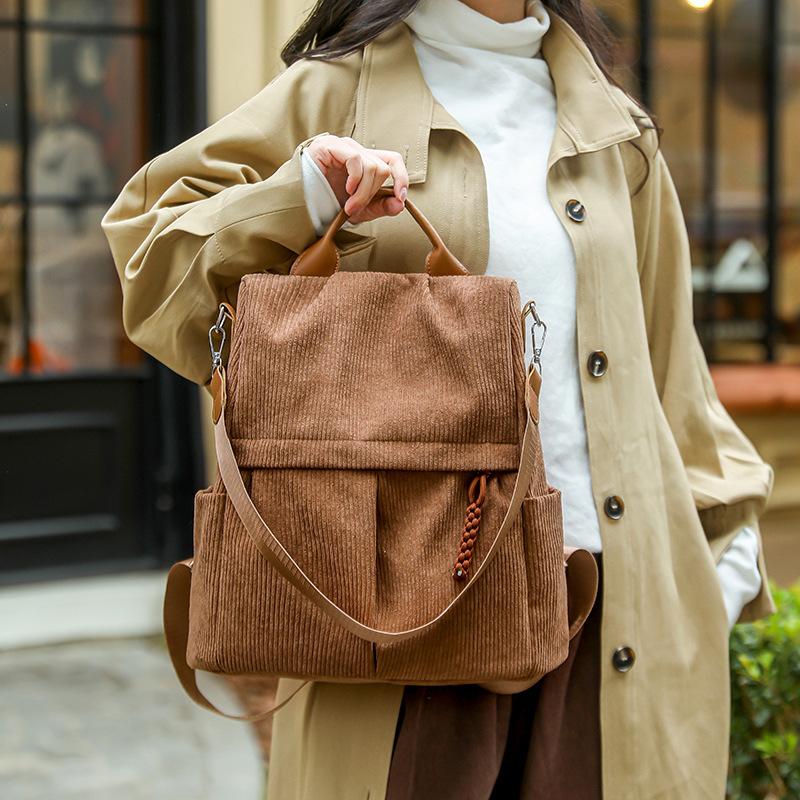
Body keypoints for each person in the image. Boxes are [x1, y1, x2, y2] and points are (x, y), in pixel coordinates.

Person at [101, 1, 776, 797]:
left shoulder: (616, 131)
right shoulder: (331, 92)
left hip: (609, 623)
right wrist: (305, 197)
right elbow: (153, 263)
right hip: (400, 620)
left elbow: (667, 366)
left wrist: (722, 554)